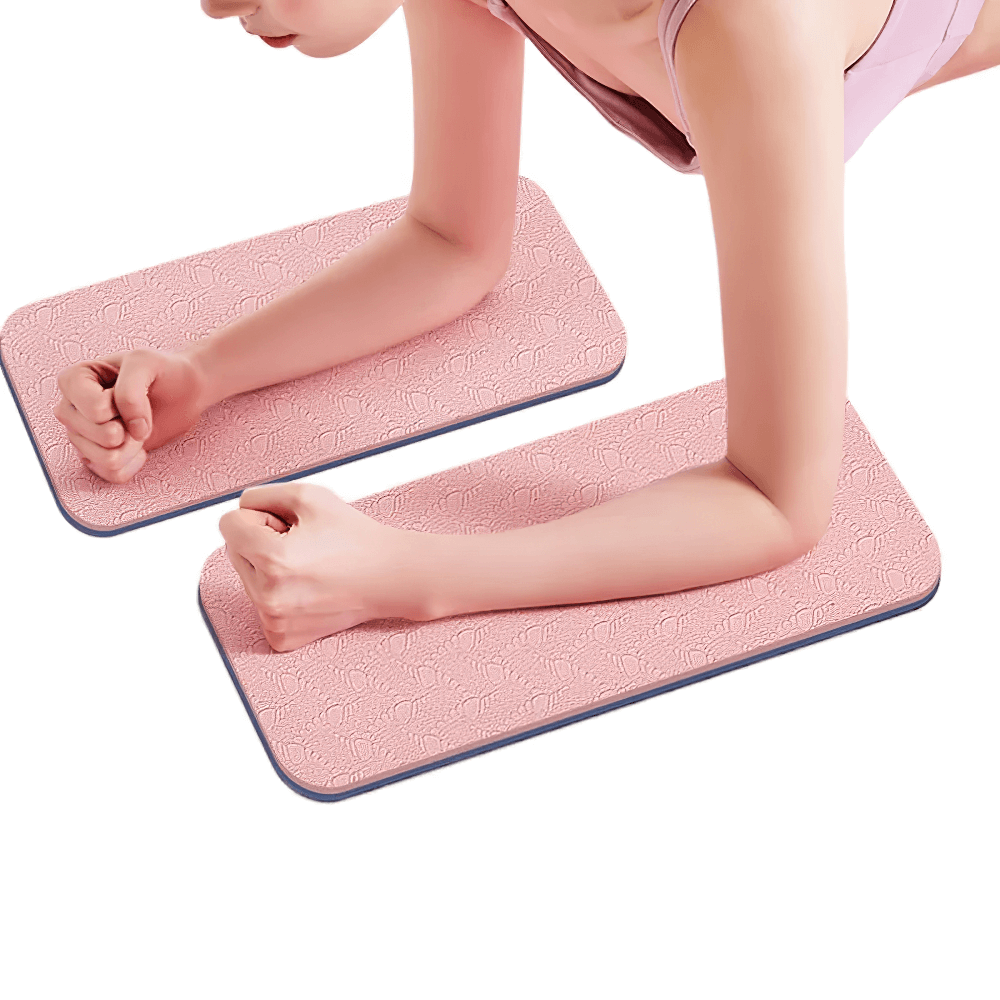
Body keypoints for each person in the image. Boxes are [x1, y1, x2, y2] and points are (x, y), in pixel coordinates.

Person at [52, 0, 998, 650]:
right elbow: (453, 242)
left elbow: (779, 500)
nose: (213, 5)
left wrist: (407, 572)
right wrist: (209, 373)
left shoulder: (750, 29)